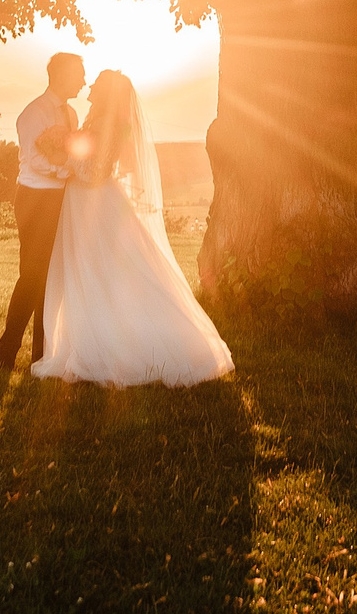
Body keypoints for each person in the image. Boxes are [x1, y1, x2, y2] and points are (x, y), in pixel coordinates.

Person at [29, 68, 234, 388]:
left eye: (96, 83)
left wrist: (64, 158)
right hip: (85, 206)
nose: (91, 86)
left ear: (107, 91)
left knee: (107, 272)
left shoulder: (112, 125)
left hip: (96, 205)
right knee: (93, 273)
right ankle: (93, 338)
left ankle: (121, 349)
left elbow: (96, 171)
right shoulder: (98, 120)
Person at [0, 50, 84, 369]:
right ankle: (7, 350)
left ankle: (41, 355)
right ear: (62, 75)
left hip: (60, 201)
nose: (84, 81)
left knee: (50, 279)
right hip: (34, 199)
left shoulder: (71, 115)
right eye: (80, 74)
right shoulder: (34, 112)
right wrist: (68, 171)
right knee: (32, 276)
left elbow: (72, 151)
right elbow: (35, 160)